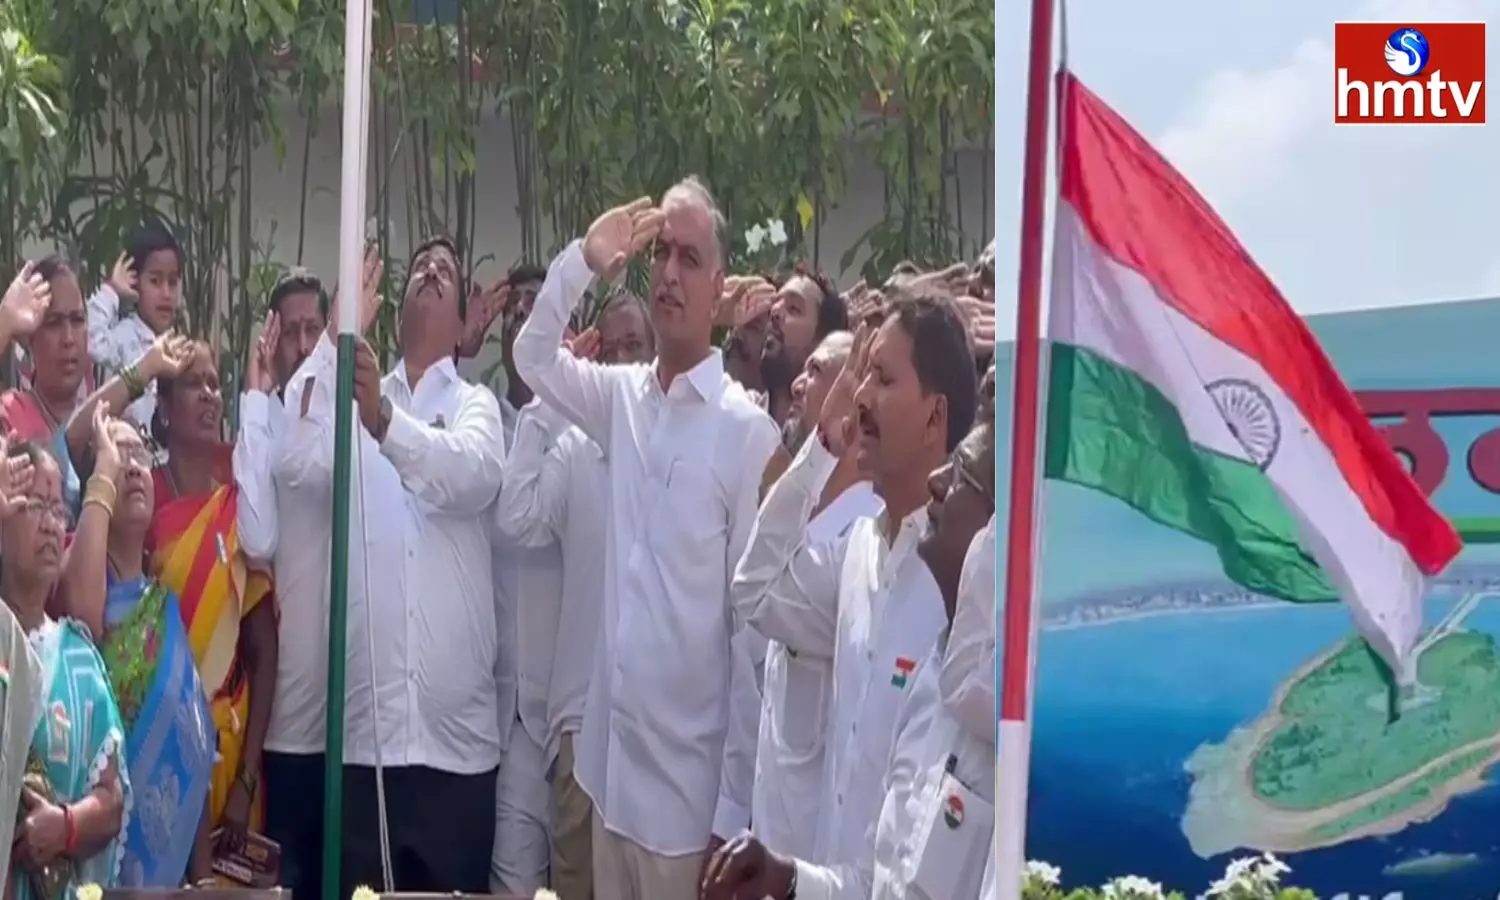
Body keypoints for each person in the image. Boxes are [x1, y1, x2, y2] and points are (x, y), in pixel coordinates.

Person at [512, 181, 778, 900]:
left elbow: (753, 640)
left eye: (690, 258)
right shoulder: (623, 399)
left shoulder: (746, 433)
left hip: (688, 815)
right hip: (609, 784)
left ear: (720, 289)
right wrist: (583, 261)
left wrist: (730, 813)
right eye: (661, 252)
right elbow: (533, 358)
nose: (668, 273)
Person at [728, 291, 978, 876]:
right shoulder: (859, 541)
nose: (861, 396)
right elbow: (755, 590)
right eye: (861, 376)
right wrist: (820, 448)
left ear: (936, 416)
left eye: (883, 379)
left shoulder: (964, 574)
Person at [704, 423, 998, 900]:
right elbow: (873, 881)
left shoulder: (1013, 725)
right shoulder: (929, 684)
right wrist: (787, 877)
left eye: (963, 474)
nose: (938, 482)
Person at [343, 235, 507, 894]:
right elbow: (295, 465)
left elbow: (473, 474)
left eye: (446, 269)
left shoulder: (477, 407)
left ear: (465, 316)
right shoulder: (351, 395)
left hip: (454, 752)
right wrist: (337, 338)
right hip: (367, 744)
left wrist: (385, 423)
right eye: (420, 267)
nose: (431, 272)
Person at [493, 290, 656, 900]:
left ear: (655, 351)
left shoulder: (680, 444)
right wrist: (547, 402)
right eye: (607, 351)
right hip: (580, 725)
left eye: (632, 347)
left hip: (656, 728)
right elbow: (516, 520)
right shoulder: (573, 446)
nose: (616, 362)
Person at [234, 253, 384, 900]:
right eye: (290, 332)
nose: (302, 345)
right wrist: (252, 398)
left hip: (352, 714)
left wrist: (334, 358)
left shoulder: (356, 407)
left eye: (313, 329)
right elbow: (257, 534)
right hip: (288, 713)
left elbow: (325, 466)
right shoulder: (266, 419)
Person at [740, 330, 881, 863]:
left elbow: (750, 587)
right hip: (770, 842)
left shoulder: (861, 538)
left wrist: (821, 446)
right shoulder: (820, 517)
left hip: (814, 863)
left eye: (823, 372)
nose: (798, 384)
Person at [62, 410, 216, 887]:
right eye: (116, 457)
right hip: (94, 869)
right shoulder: (81, 569)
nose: (132, 467)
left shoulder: (163, 605)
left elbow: (195, 753)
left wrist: (203, 881)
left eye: (139, 455)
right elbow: (85, 616)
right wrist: (101, 478)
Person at [147, 340, 278, 863]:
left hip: (232, 755)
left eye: (213, 383)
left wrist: (246, 779)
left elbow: (264, 651)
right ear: (162, 406)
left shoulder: (241, 496)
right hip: (162, 750)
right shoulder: (144, 496)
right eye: (191, 383)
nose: (207, 395)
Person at [1, 439, 131, 900]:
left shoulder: (78, 659)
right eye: (34, 505)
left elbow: (112, 800)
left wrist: (67, 826)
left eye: (59, 511)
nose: (52, 526)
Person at [86, 226, 184, 428]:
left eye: (173, 282)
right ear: (134, 281)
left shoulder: (179, 344)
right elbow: (92, 343)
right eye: (155, 281)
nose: (166, 293)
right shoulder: (125, 336)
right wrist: (111, 290)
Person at [759, 268, 849, 426]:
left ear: (823, 341)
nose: (775, 312)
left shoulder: (836, 445)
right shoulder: (738, 417)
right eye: (775, 303)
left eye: (793, 308)